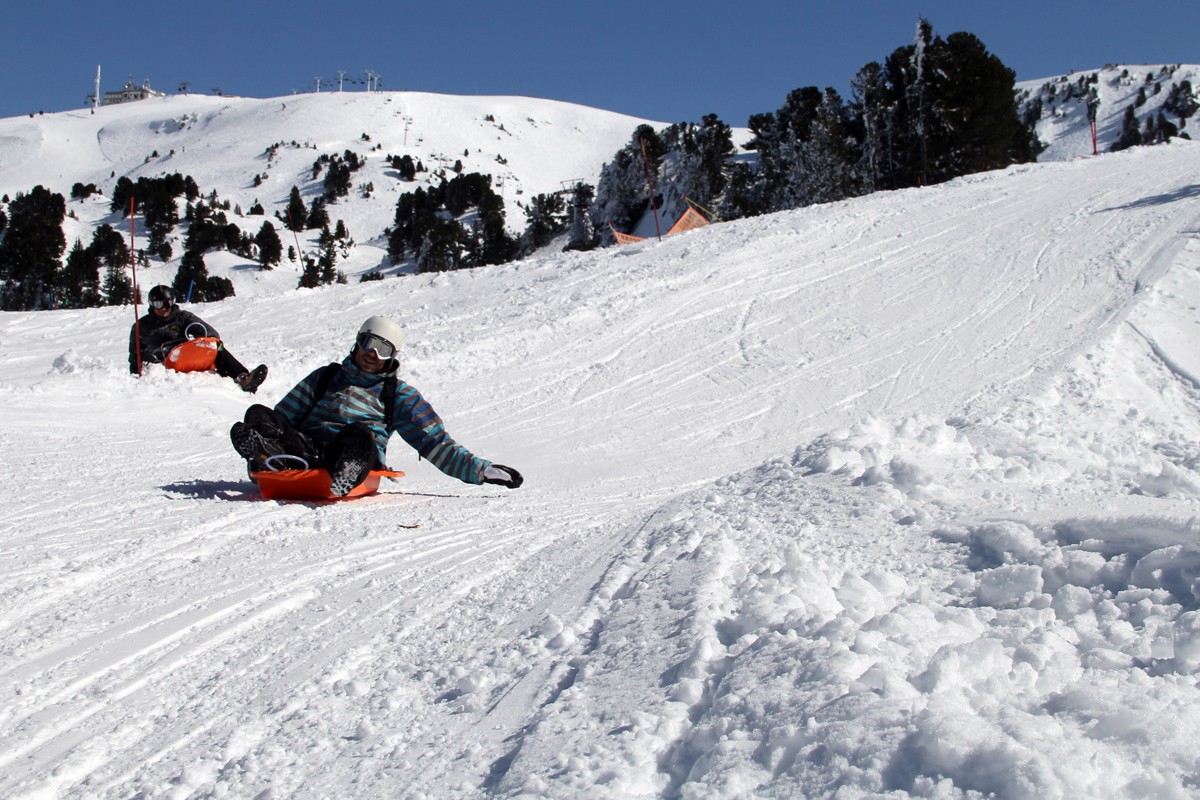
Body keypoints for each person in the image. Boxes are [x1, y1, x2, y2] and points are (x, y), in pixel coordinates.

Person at [229, 315, 523, 496]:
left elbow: (434, 442)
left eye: (383, 349)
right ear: (357, 342)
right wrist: (270, 432)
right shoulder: (326, 377)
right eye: (368, 342)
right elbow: (283, 418)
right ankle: (267, 458)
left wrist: (481, 470)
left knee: (359, 434)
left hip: (354, 454)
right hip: (306, 447)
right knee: (258, 414)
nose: (372, 353)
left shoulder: (398, 394)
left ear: (392, 356)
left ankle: (344, 474)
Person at [129, 285, 268, 393]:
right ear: (151, 304)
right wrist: (137, 379)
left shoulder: (183, 317)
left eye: (168, 303)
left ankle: (242, 378)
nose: (164, 308)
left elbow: (211, 333)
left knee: (217, 346)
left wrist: (205, 341)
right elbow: (135, 356)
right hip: (162, 367)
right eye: (159, 304)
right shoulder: (141, 326)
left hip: (186, 357)